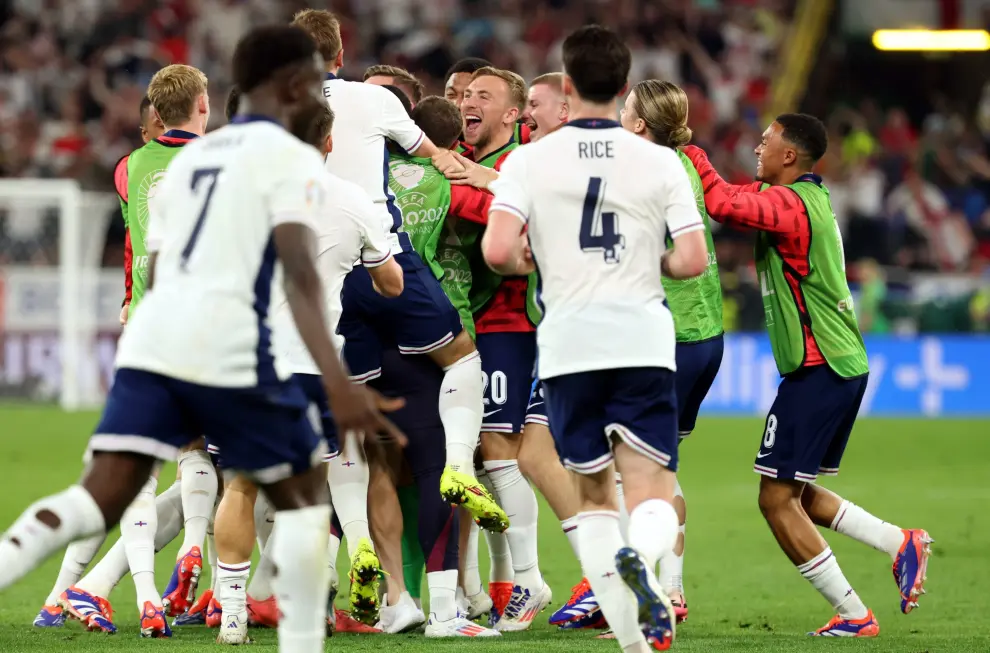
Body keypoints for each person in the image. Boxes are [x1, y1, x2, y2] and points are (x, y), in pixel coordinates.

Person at [0, 25, 403, 653]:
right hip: (236, 349)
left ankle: (23, 565)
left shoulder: (186, 159)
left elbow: (157, 270)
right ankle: (288, 636)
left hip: (160, 341)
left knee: (98, 493)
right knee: (297, 499)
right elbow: (300, 276)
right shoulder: (288, 164)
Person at [482, 24, 710, 653]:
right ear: (625, 87)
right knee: (651, 490)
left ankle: (633, 641)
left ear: (569, 83)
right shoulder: (661, 160)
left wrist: (537, 262)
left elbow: (498, 249)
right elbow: (692, 259)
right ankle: (644, 560)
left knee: (591, 497)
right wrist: (648, 261)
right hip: (640, 339)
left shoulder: (528, 160)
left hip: (568, 344)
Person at [681, 114, 931, 637]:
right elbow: (731, 195)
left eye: (767, 141)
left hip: (820, 368)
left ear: (789, 155)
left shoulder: (790, 204)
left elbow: (722, 203)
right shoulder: (802, 199)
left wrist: (689, 146)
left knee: (775, 499)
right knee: (799, 492)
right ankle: (897, 542)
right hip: (833, 365)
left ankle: (854, 614)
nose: (757, 146)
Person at [292, 12, 506, 564]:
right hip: (381, 255)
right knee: (461, 359)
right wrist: (491, 178)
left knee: (349, 430)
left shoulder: (276, 106)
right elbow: (435, 155)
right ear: (341, 56)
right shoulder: (373, 100)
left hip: (320, 272)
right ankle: (460, 465)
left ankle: (360, 544)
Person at [32, 94, 169, 632]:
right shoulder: (213, 166)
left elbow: (137, 247)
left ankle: (62, 595)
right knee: (169, 472)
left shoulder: (129, 170)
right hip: (196, 338)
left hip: (145, 329)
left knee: (126, 469)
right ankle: (145, 596)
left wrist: (130, 298)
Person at [619, 79, 726, 625]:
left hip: (670, 338)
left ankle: (639, 590)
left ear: (639, 124)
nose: (618, 113)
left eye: (626, 108)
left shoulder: (643, 172)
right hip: (706, 336)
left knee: (632, 467)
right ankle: (671, 588)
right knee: (660, 464)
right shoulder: (686, 162)